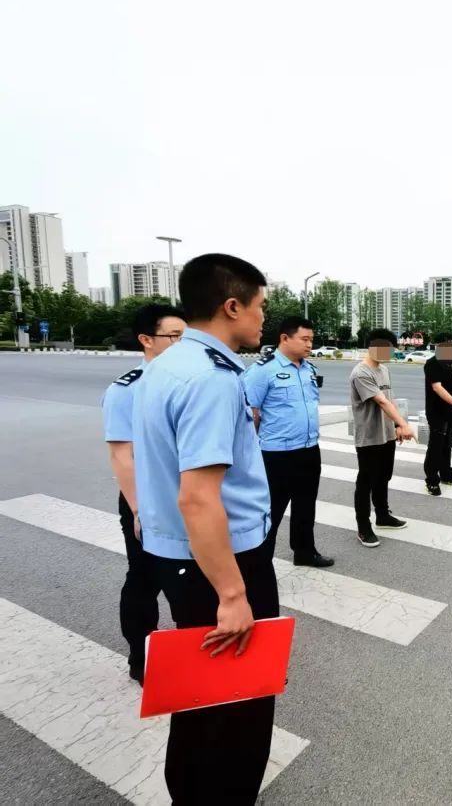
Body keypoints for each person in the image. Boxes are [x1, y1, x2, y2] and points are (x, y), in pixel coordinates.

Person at [133, 253, 278, 804]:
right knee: (239, 706)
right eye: (260, 306)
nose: (263, 318)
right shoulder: (212, 378)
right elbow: (198, 496)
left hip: (180, 556)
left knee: (201, 695)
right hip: (221, 562)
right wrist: (233, 595)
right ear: (232, 306)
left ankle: (190, 793)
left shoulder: (166, 364)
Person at [101, 303, 187, 685]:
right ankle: (141, 657)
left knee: (192, 582)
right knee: (145, 578)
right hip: (149, 500)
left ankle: (193, 653)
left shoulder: (189, 382)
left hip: (192, 495)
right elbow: (122, 455)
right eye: (175, 336)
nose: (183, 344)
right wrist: (139, 509)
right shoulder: (126, 390)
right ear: (146, 340)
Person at [242, 316, 333, 568]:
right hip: (276, 454)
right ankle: (260, 564)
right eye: (304, 339)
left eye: (311, 339)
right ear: (285, 338)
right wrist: (249, 454)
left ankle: (304, 552)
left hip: (309, 449)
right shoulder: (263, 370)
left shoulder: (308, 369)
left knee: (306, 505)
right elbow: (251, 413)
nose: (309, 345)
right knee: (271, 510)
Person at [350, 329, 414, 546]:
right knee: (366, 481)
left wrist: (396, 425)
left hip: (386, 434)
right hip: (369, 436)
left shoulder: (384, 370)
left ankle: (383, 515)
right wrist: (404, 424)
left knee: (383, 477)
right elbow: (381, 401)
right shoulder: (361, 373)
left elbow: (390, 398)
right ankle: (363, 526)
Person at [423, 332, 452, 495]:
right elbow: (437, 387)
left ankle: (446, 475)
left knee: (448, 445)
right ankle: (432, 480)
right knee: (436, 446)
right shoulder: (432, 363)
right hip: (437, 412)